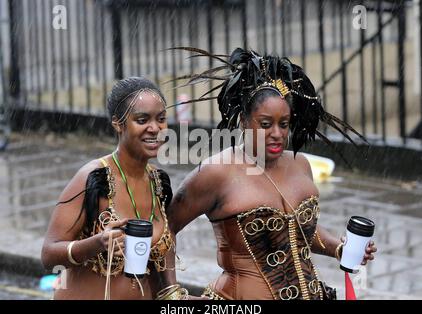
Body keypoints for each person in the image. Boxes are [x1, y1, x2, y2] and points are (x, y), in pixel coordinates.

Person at [167, 48, 377, 300]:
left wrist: (338, 248)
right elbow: (165, 229)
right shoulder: (216, 172)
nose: (277, 133)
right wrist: (171, 293)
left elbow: (297, 229)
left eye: (284, 124)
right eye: (265, 124)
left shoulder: (300, 165)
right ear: (244, 121)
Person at [41, 77, 181, 300]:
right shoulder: (93, 179)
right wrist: (96, 244)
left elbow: (162, 258)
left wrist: (174, 296)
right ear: (118, 123)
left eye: (161, 119)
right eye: (142, 119)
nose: (155, 128)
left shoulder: (159, 183)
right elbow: (49, 254)